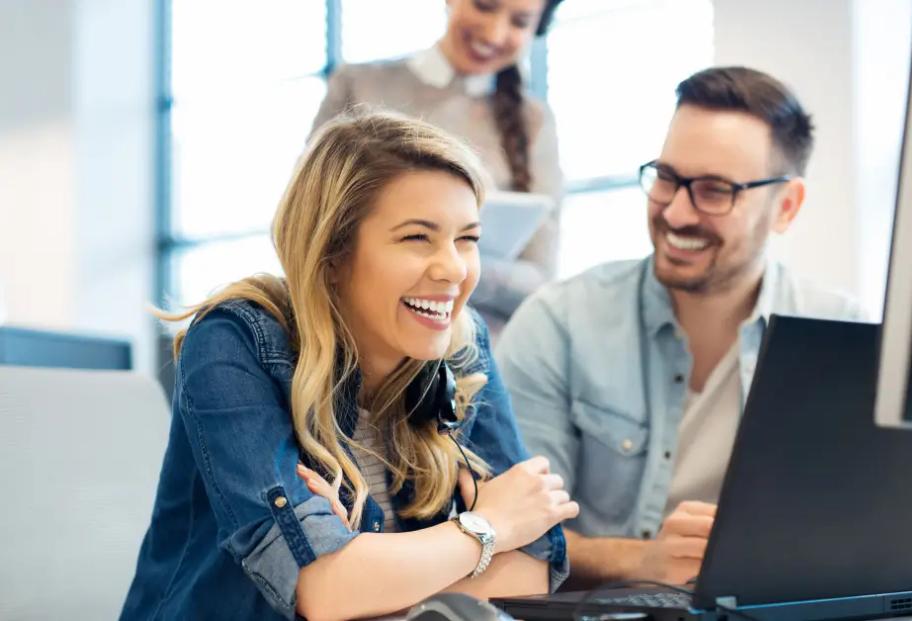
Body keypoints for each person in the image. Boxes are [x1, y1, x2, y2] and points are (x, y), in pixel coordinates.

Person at [121, 110, 577, 620]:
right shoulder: (234, 342)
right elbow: (325, 592)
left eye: (466, 239)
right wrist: (488, 528)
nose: (453, 268)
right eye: (417, 238)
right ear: (333, 253)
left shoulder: (460, 348)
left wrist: (365, 565)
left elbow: (531, 571)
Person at [495, 67, 859, 588]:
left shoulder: (844, 336)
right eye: (667, 178)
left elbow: (871, 536)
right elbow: (512, 535)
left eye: (714, 191)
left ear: (785, 207)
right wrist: (641, 561)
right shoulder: (558, 325)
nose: (677, 212)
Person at [313, 0, 565, 333]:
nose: (494, 33)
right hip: (358, 337)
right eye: (484, 6)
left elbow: (540, 277)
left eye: (519, 22)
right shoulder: (359, 86)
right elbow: (309, 222)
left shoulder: (535, 123)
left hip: (478, 354)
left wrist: (440, 264)